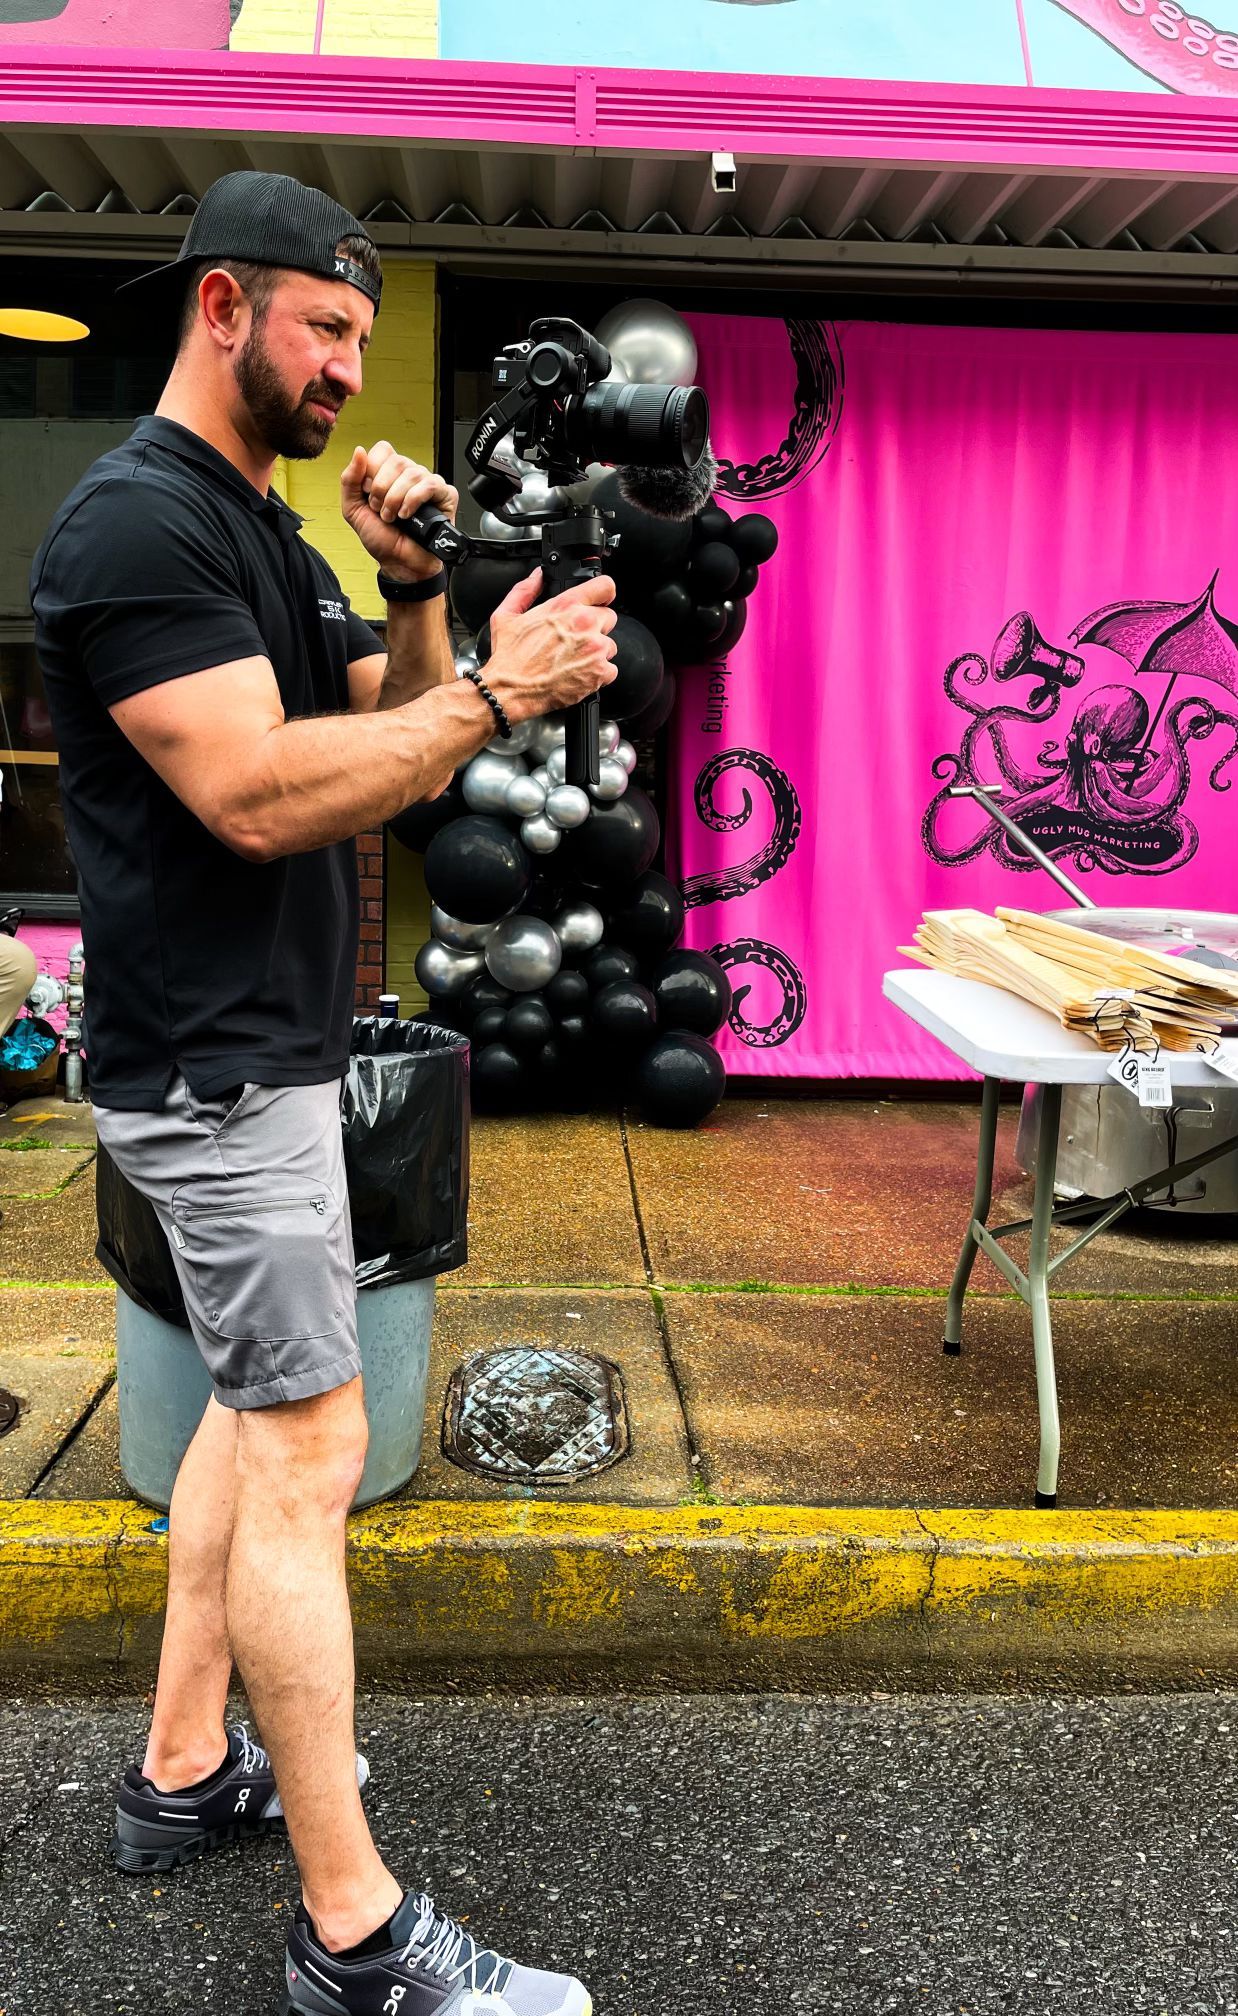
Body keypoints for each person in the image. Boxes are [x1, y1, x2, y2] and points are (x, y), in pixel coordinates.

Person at [31, 171, 615, 2016]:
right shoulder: (141, 523)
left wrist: (423, 594)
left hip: (267, 1053)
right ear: (224, 308)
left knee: (246, 1415)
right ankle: (355, 1936)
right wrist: (501, 698)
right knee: (309, 1443)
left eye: (364, 334)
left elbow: (390, 747)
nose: (352, 370)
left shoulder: (265, 532)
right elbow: (256, 795)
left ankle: (182, 1767)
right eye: (326, 330)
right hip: (210, 1072)